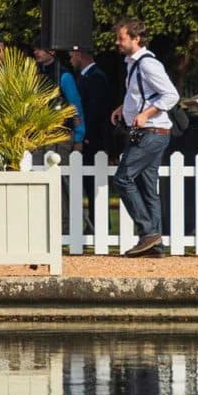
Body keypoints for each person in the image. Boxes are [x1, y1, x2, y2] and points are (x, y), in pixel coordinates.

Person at [109, 18, 177, 258]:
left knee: (123, 179)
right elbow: (143, 94)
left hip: (151, 132)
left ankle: (148, 232)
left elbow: (171, 96)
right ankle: (155, 245)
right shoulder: (133, 64)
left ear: (136, 39)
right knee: (148, 189)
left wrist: (145, 114)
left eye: (121, 38)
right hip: (153, 132)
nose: (117, 42)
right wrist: (123, 108)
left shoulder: (148, 64)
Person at [32, 42, 86, 154]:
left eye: (40, 49)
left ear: (52, 51)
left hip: (61, 134)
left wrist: (79, 137)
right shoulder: (34, 74)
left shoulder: (64, 75)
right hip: (38, 134)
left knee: (60, 169)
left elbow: (75, 106)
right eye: (35, 49)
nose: (35, 52)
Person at [68, 45, 113, 158]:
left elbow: (94, 111)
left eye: (71, 56)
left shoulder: (96, 77)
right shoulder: (85, 76)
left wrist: (85, 138)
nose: (70, 60)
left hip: (93, 140)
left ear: (79, 55)